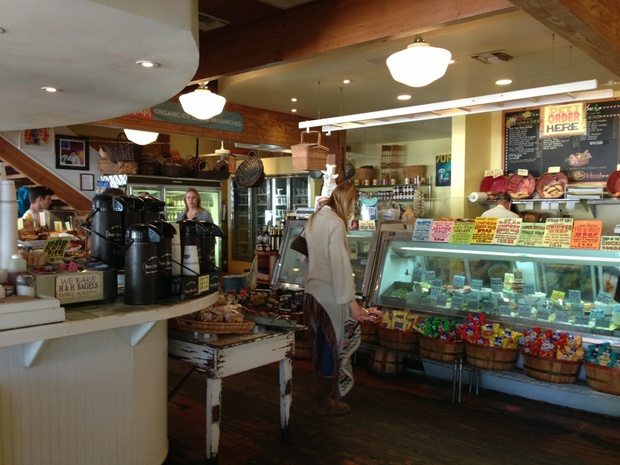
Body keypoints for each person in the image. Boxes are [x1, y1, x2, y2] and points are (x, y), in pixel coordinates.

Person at [303, 181, 368, 416]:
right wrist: (351, 302)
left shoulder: (315, 217)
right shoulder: (336, 223)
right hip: (329, 298)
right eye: (354, 204)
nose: (353, 210)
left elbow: (301, 254)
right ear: (347, 201)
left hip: (312, 293)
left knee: (322, 346)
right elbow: (340, 266)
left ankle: (322, 399)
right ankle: (323, 402)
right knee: (332, 349)